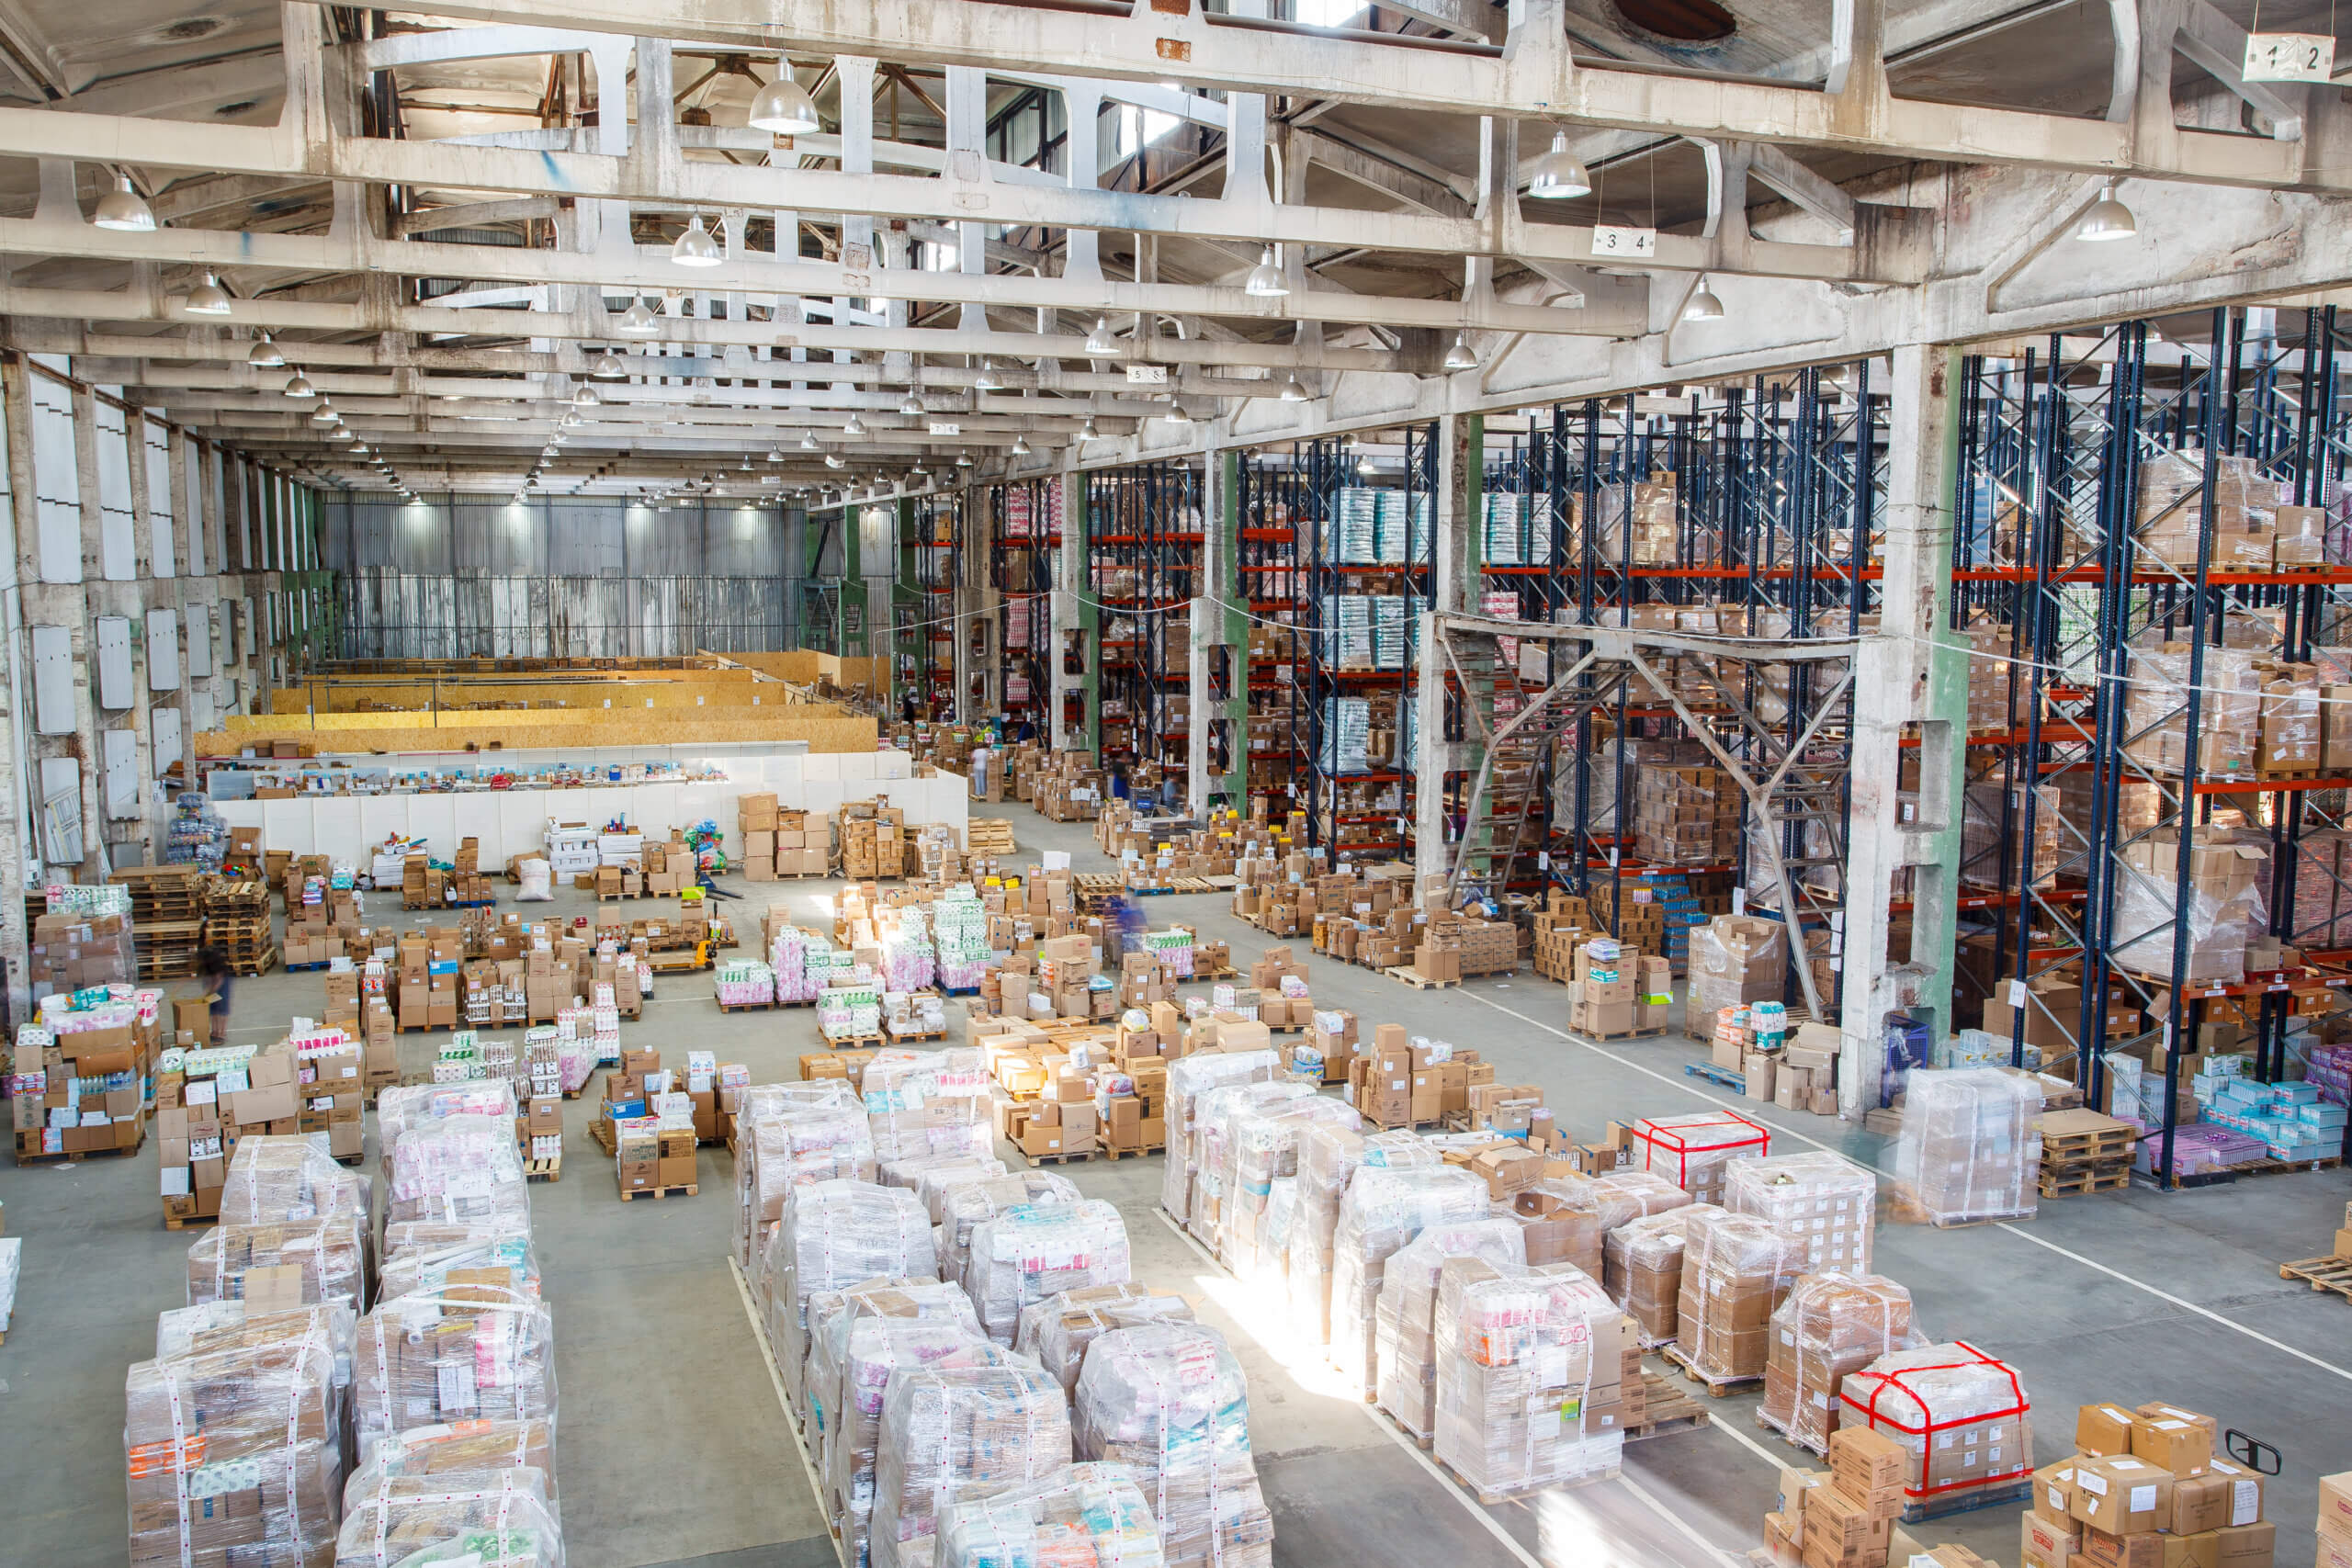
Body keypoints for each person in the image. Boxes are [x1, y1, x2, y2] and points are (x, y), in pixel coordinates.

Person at [196, 945, 232, 1047]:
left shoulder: (216, 964)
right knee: (212, 1008)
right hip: (212, 981)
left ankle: (222, 1034)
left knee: (221, 1009)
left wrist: (211, 991)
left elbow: (219, 980)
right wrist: (207, 992)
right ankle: (214, 1032)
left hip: (223, 983)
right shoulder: (206, 965)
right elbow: (207, 979)